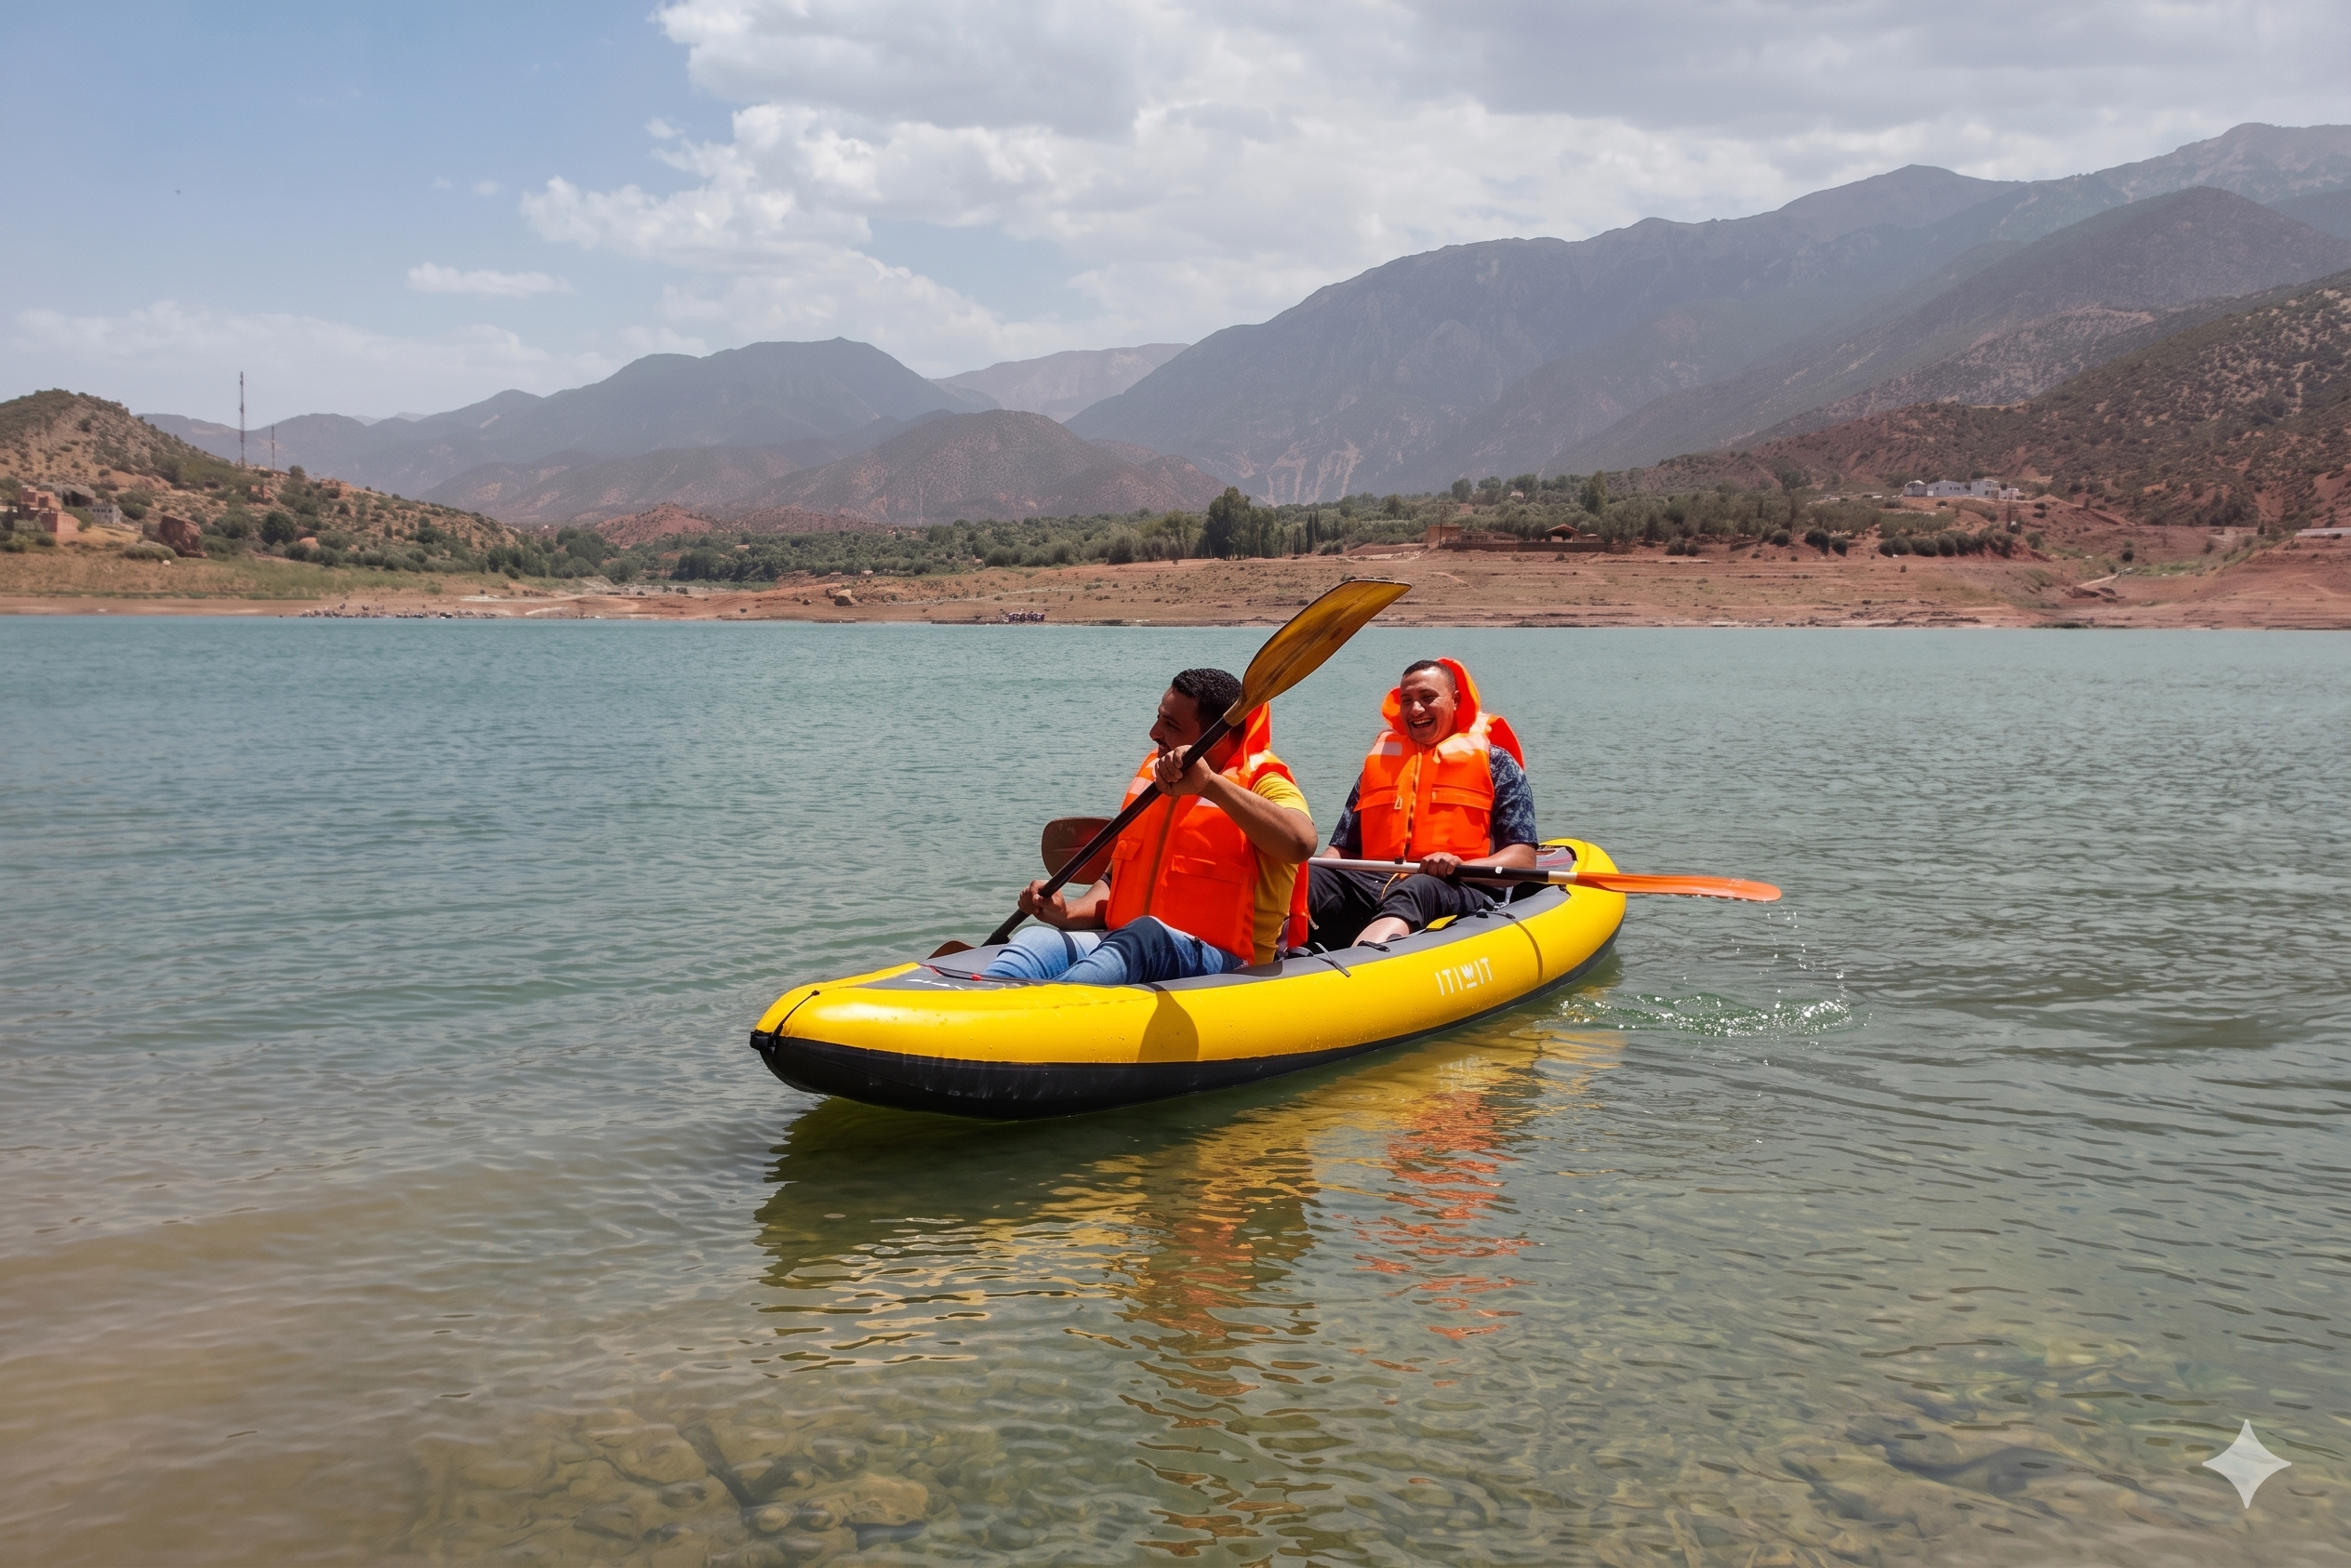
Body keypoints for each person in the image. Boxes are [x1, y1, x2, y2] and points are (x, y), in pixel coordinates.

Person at [982, 667, 1316, 985]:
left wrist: (1210, 785)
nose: (1154, 733)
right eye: (1159, 717)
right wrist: (1067, 911)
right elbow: (1115, 881)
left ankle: (1047, 1014)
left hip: (1227, 964)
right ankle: (985, 1001)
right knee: (1037, 940)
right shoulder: (1156, 776)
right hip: (1130, 948)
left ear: (1217, 737)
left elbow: (1301, 843)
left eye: (1170, 725)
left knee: (1147, 936)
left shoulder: (1265, 782)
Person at [1308, 658, 1538, 947]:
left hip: (1461, 885)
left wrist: (1460, 864)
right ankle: (1259, 959)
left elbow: (1524, 860)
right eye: (1407, 700)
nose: (1416, 709)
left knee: (1419, 887)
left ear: (1455, 701)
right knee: (1310, 879)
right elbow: (1341, 849)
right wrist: (1307, 870)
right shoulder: (1379, 764)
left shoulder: (1497, 764)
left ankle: (1362, 970)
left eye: (1428, 698)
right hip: (1377, 883)